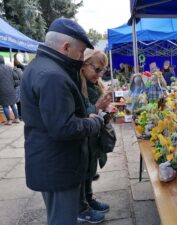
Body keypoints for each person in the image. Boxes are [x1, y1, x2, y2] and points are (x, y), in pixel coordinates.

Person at [20, 18, 104, 225]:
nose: (81, 57)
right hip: (58, 165)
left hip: (49, 161)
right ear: (66, 47)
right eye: (80, 51)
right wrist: (94, 122)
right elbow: (63, 127)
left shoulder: (39, 66)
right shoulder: (53, 76)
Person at [78, 48, 112, 223]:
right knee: (84, 171)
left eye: (102, 70)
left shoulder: (93, 84)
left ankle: (88, 199)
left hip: (93, 137)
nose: (99, 74)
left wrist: (106, 112)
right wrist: (98, 106)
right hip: (83, 137)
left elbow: (95, 111)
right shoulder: (77, 84)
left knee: (91, 169)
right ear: (84, 63)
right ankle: (81, 207)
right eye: (97, 69)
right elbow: (83, 114)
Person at [0, 56, 20, 125]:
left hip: (2, 91)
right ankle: (17, 119)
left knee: (5, 106)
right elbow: (16, 78)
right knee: (12, 104)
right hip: (11, 89)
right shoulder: (9, 68)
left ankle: (9, 121)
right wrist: (13, 85)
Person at [13, 53, 24, 120]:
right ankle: (20, 116)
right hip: (20, 86)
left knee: (19, 102)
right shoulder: (21, 66)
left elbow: (20, 77)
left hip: (18, 86)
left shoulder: (18, 68)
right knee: (19, 102)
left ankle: (20, 116)